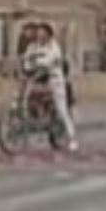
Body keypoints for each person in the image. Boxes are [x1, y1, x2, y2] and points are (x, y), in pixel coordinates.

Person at [21, 19, 77, 152]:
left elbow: (49, 61)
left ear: (48, 34)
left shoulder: (54, 47)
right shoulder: (32, 47)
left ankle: (72, 138)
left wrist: (38, 63)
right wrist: (28, 66)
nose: (40, 35)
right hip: (37, 79)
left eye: (43, 33)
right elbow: (26, 60)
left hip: (54, 80)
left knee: (61, 109)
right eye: (38, 32)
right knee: (24, 97)